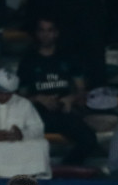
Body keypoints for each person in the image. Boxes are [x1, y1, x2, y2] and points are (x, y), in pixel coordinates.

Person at [18, 16, 98, 165]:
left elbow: (82, 91)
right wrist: (38, 99)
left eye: (50, 30)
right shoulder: (28, 60)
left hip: (64, 112)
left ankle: (65, 170)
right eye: (42, 30)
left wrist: (70, 99)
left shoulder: (68, 57)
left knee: (89, 139)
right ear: (36, 33)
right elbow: (19, 98)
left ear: (56, 33)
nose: (46, 34)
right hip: (38, 115)